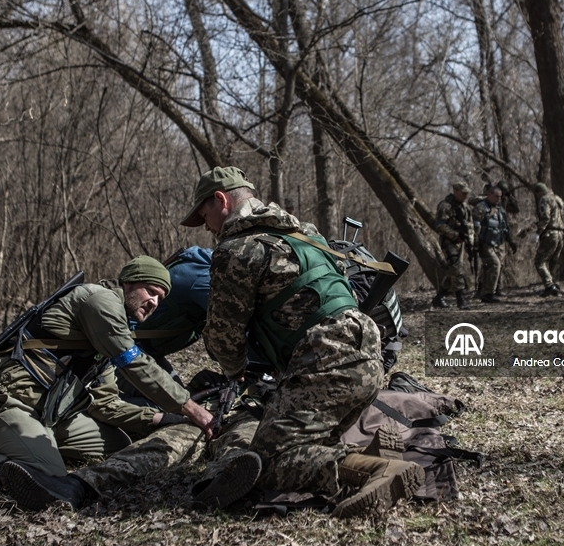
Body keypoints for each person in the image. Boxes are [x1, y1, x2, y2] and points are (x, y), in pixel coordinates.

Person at [177, 166, 422, 518]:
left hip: (325, 360)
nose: (207, 227)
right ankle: (374, 452)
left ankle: (376, 471)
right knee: (306, 443)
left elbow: (223, 337)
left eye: (205, 216)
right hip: (368, 350)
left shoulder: (237, 250)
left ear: (221, 200)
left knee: (269, 461)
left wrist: (238, 371)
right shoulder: (303, 232)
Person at [0, 257, 214, 502]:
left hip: (50, 418)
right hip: (6, 404)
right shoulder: (100, 301)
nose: (155, 303)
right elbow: (133, 362)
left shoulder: (106, 332)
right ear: (130, 282)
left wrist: (159, 419)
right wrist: (190, 408)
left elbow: (105, 404)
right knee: (48, 474)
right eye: (151, 292)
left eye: (161, 298)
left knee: (121, 441)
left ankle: (24, 446)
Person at [433, 182, 475, 309]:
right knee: (457, 269)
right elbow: (440, 226)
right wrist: (455, 235)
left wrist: (470, 242)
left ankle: (439, 298)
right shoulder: (445, 206)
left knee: (453, 271)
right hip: (449, 242)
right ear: (455, 191)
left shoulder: (464, 207)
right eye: (463, 193)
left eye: (467, 193)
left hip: (461, 243)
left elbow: (470, 226)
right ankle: (460, 300)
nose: (465, 196)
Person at [472, 185, 517, 302]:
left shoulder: (500, 209)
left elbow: (505, 227)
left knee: (492, 266)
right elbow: (475, 228)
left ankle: (485, 291)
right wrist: (475, 244)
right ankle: (488, 293)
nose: (498, 199)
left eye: (500, 197)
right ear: (489, 195)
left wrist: (511, 241)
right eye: (496, 196)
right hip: (485, 243)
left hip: (498, 243)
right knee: (494, 264)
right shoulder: (481, 208)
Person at [532, 183, 564, 297]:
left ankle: (549, 285)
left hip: (550, 233)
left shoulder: (544, 199)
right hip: (560, 233)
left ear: (539, 192)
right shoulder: (558, 199)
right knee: (553, 261)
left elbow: (545, 217)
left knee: (539, 262)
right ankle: (554, 284)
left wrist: (538, 232)